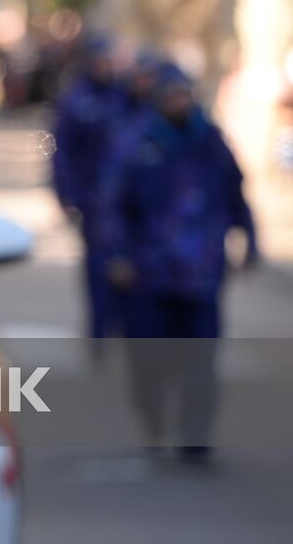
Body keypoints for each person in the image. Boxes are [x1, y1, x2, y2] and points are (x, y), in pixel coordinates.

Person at [99, 63, 258, 461]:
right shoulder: (136, 144)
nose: (179, 101)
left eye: (184, 93)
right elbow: (111, 206)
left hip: (202, 277)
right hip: (150, 277)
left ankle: (195, 439)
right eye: (171, 94)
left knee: (201, 363)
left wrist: (250, 241)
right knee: (150, 360)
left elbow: (236, 195)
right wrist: (116, 255)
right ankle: (152, 416)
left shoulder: (211, 142)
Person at [51, 35, 128, 340]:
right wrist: (66, 195)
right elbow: (63, 152)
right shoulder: (76, 101)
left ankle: (124, 327)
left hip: (124, 199)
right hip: (92, 200)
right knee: (98, 267)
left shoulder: (123, 95)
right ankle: (99, 330)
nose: (105, 67)